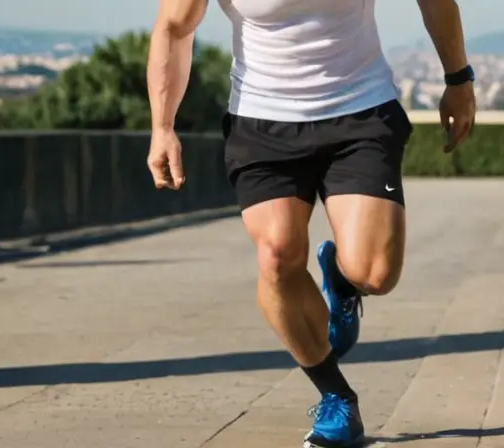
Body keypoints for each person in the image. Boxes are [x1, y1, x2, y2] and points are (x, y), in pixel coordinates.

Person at [146, 0, 476, 446]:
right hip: (261, 123)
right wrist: (162, 127)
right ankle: (336, 397)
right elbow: (173, 27)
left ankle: (342, 281)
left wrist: (458, 79)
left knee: (375, 273)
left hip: (361, 111)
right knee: (276, 257)